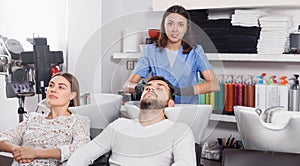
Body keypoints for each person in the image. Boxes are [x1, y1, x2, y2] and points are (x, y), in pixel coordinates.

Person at [67, 76, 196, 166]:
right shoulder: (119, 125)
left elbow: (185, 163)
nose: (150, 89)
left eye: (160, 87)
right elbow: (86, 153)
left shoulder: (180, 130)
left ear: (170, 103)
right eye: (148, 87)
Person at [123, 5, 220, 104]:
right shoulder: (150, 51)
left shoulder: (195, 51)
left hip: (187, 112)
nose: (175, 29)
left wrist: (181, 91)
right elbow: (127, 85)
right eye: (170, 24)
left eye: (180, 24)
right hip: (161, 111)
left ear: (186, 28)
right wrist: (145, 88)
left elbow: (214, 84)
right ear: (163, 27)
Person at [0, 72, 90, 166]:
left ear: (72, 95)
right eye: (51, 85)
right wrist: (17, 150)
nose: (53, 90)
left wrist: (35, 153)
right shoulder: (33, 118)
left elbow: (81, 149)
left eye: (61, 87)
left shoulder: (79, 121)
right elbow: (3, 138)